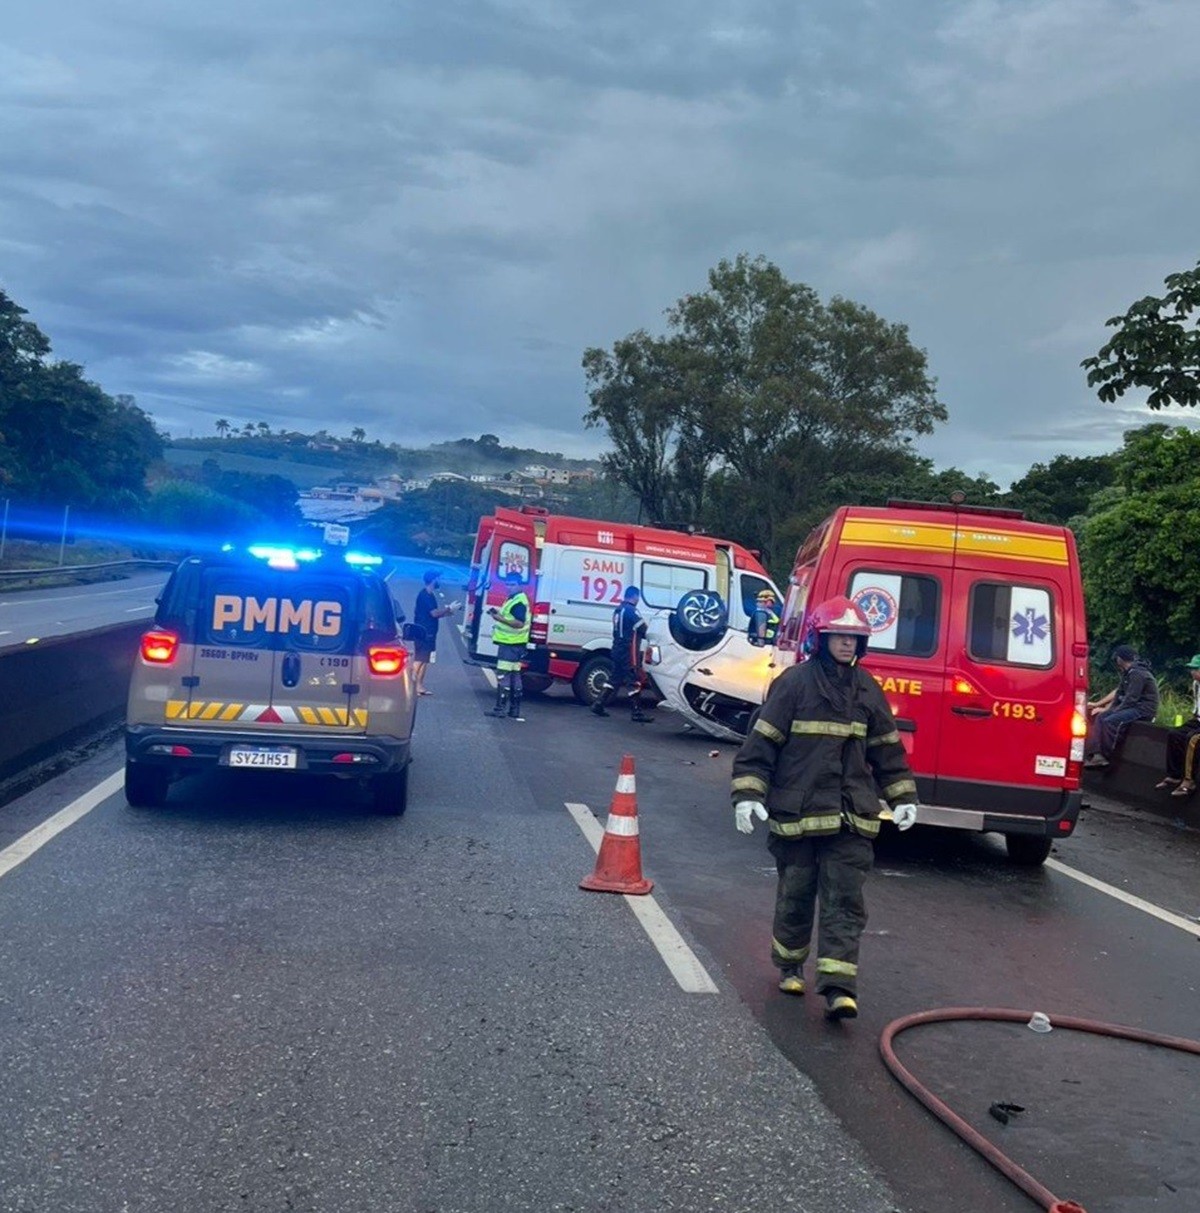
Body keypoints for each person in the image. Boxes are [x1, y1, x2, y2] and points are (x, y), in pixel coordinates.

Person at [730, 596, 918, 1021]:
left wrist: (903, 797)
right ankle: (791, 965)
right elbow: (760, 747)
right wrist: (747, 795)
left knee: (845, 901)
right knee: (796, 894)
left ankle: (838, 987)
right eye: (840, 636)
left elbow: (887, 750)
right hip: (797, 818)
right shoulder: (794, 684)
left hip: (852, 817)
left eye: (855, 638)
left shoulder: (867, 689)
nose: (848, 644)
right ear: (821, 637)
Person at [1083, 644, 1158, 768]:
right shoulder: (1128, 673)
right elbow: (1119, 694)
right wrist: (1106, 709)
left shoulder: (1138, 673)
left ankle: (1107, 755)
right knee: (1102, 717)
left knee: (1110, 721)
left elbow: (1131, 699)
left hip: (1142, 709)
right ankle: (1095, 754)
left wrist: (1115, 711)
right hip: (1133, 706)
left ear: (1120, 659)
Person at [592, 585, 651, 723]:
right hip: (628, 650)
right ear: (635, 596)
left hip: (617, 647)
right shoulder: (632, 611)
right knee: (633, 679)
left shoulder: (618, 611)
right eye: (638, 597)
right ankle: (636, 712)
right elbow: (643, 629)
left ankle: (598, 704)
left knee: (615, 677)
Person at [486, 570, 530, 722]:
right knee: (514, 675)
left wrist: (499, 618)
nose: (509, 587)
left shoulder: (518, 602)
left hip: (510, 644)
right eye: (508, 584)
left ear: (519, 585)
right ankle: (514, 709)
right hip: (517, 644)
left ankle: (500, 708)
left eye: (512, 584)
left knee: (503, 675)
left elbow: (519, 623)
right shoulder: (516, 598)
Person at [1156, 654, 1200, 797]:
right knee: (1174, 734)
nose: (1192, 672)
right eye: (1192, 669)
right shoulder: (1196, 684)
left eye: (1196, 669)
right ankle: (1174, 775)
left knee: (1192, 739)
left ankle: (1189, 780)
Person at [412, 570, 459, 696]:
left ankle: (419, 686)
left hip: (429, 632)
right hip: (424, 632)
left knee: (425, 660)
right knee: (419, 660)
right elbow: (434, 613)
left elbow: (434, 615)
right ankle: (411, 686)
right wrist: (448, 608)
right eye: (439, 578)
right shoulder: (425, 596)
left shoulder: (430, 595)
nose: (440, 581)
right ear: (433, 579)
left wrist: (449, 612)